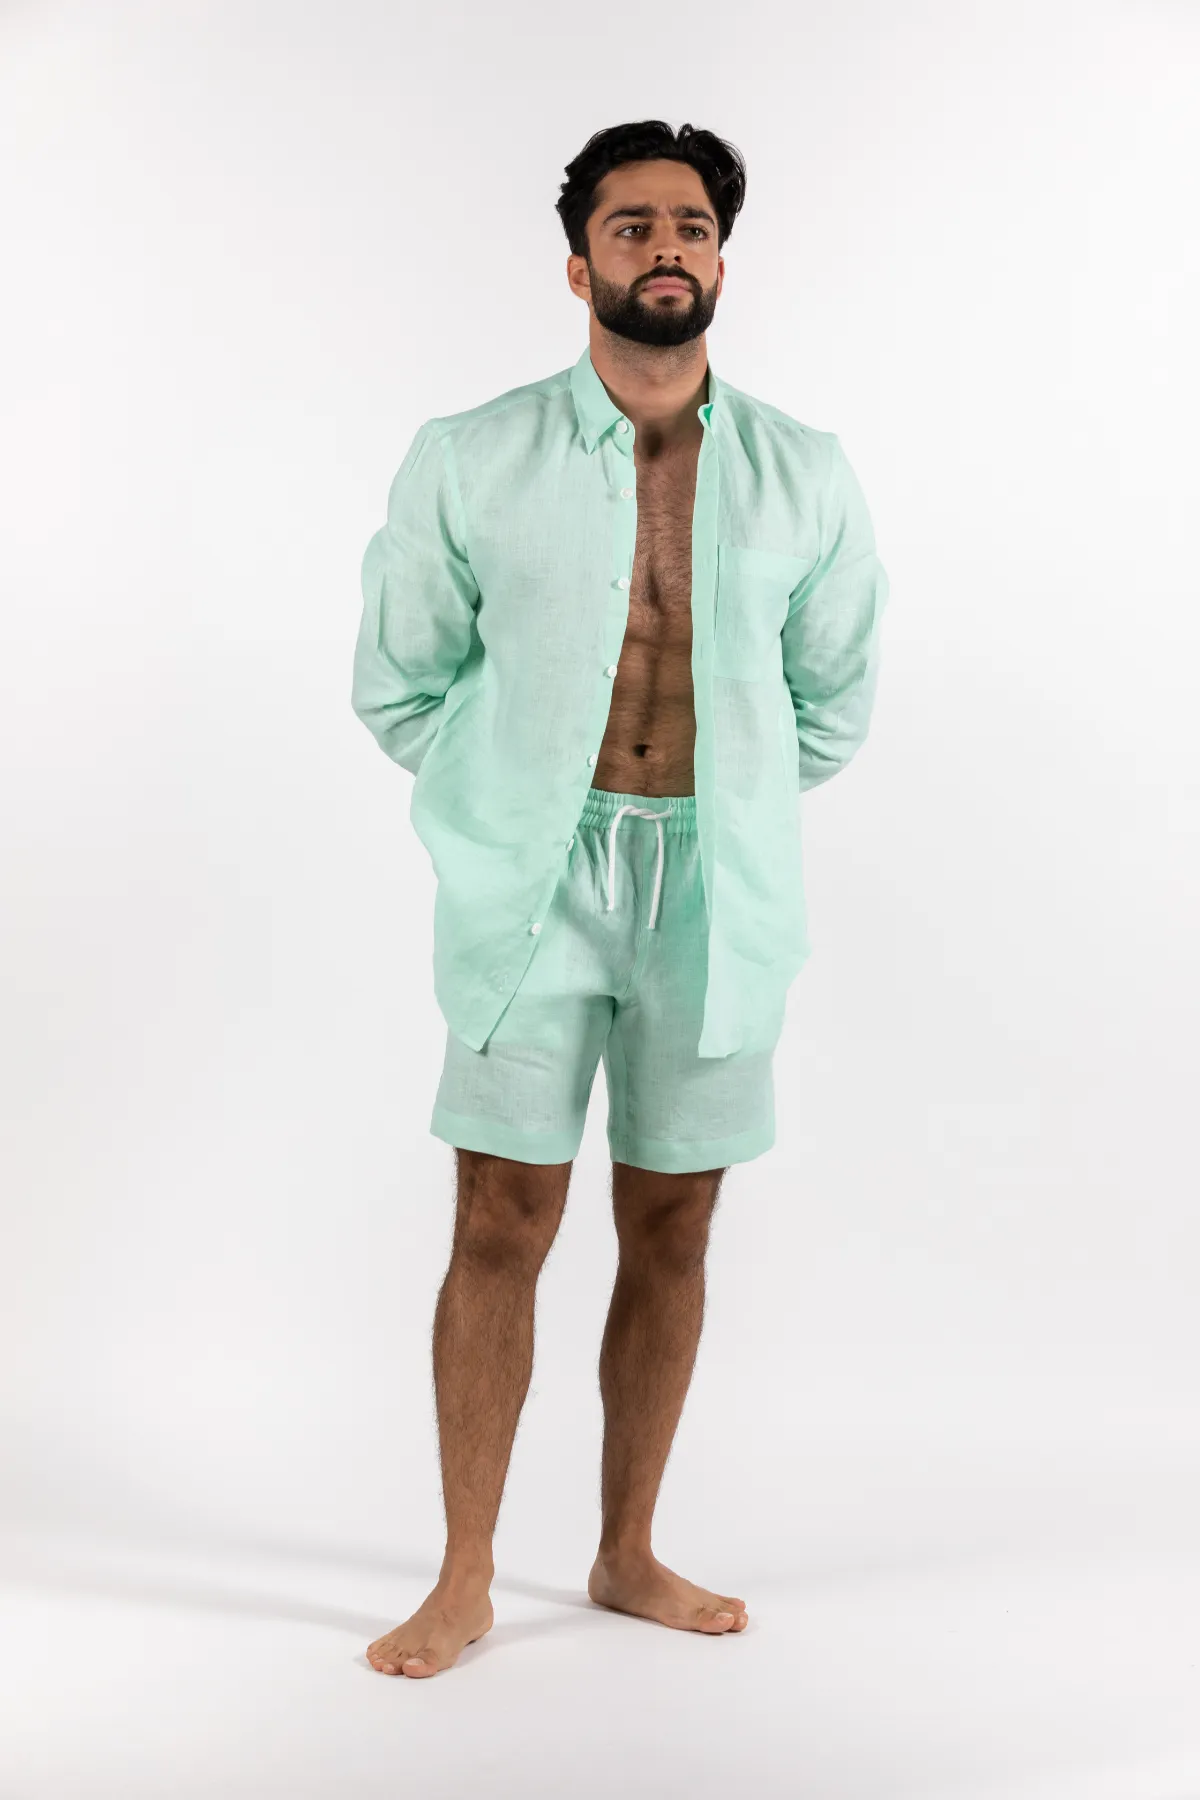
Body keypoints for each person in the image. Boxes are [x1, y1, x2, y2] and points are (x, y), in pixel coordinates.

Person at [351, 118, 889, 1678]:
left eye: (693, 225)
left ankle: (626, 1548)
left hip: (717, 884)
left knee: (674, 1218)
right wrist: (512, 801)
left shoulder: (804, 472)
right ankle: (465, 1573)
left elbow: (832, 705)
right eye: (634, 224)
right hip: (532, 876)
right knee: (499, 1213)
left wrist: (727, 811)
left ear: (723, 258)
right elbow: (399, 683)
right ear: (578, 263)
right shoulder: (471, 454)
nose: (667, 247)